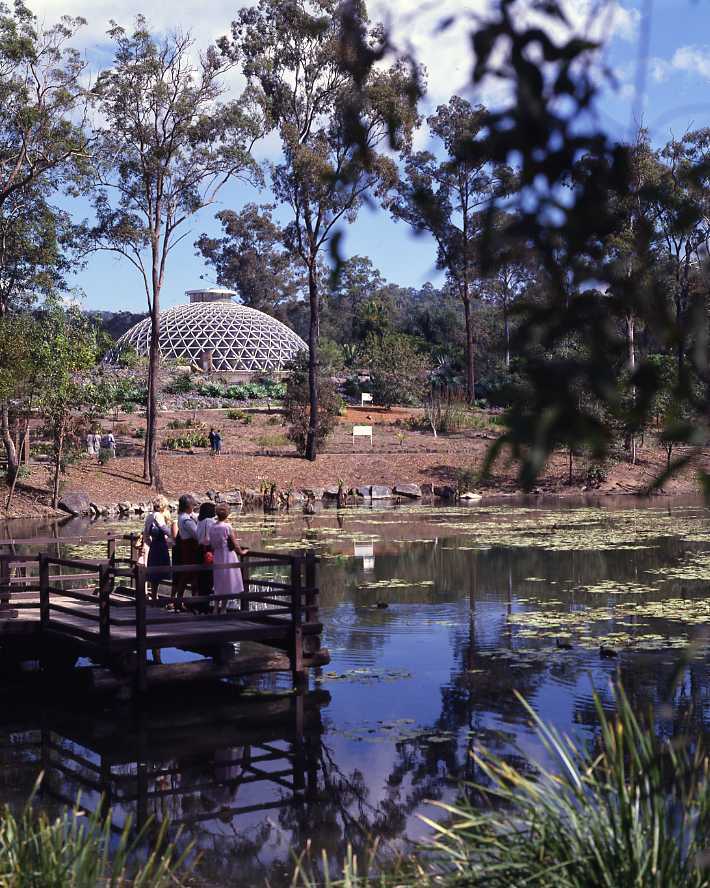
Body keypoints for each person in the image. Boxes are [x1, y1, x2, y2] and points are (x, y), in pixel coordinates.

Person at [208, 504, 248, 614]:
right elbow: (235, 544)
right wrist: (242, 552)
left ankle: (216, 607)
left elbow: (211, 543)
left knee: (218, 581)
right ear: (227, 515)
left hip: (217, 555)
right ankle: (223, 609)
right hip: (227, 555)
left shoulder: (212, 527)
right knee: (226, 580)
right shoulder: (227, 527)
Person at [171, 494, 200, 612]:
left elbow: (195, 516)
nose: (193, 507)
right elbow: (197, 534)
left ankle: (180, 600)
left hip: (185, 548)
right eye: (192, 505)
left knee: (186, 575)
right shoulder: (186, 520)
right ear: (188, 506)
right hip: (190, 548)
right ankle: (193, 602)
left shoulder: (182, 516)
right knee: (191, 574)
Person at [143, 496, 172, 603]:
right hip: (160, 546)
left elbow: (145, 534)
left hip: (154, 546)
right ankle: (156, 597)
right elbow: (163, 528)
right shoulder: (158, 515)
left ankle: (154, 596)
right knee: (159, 572)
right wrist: (174, 536)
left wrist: (150, 543)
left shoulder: (149, 517)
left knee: (154, 573)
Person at [196, 501, 217, 611]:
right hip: (207, 551)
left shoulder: (199, 521)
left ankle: (201, 604)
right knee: (208, 578)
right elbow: (209, 538)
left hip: (199, 550)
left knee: (201, 578)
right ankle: (205, 605)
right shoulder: (209, 521)